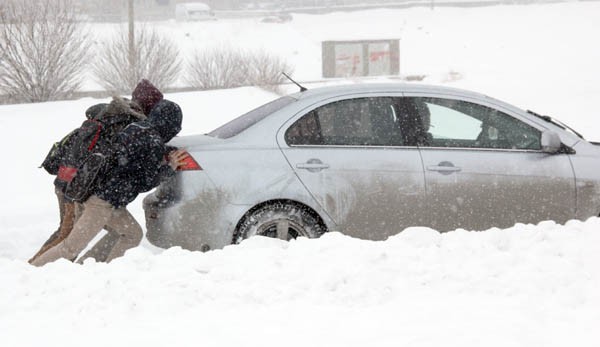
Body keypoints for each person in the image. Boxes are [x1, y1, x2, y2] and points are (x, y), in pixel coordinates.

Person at [31, 80, 187, 266]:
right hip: (101, 202)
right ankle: (32, 273)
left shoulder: (135, 128)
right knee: (69, 247)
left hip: (93, 192)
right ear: (170, 123)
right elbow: (146, 181)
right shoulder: (152, 141)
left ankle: (90, 268)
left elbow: (129, 160)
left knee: (132, 233)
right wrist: (170, 167)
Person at [29, 99, 143, 264]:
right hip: (76, 190)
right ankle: (34, 267)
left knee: (69, 234)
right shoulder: (106, 132)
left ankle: (61, 267)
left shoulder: (85, 131)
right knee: (67, 236)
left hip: (70, 186)